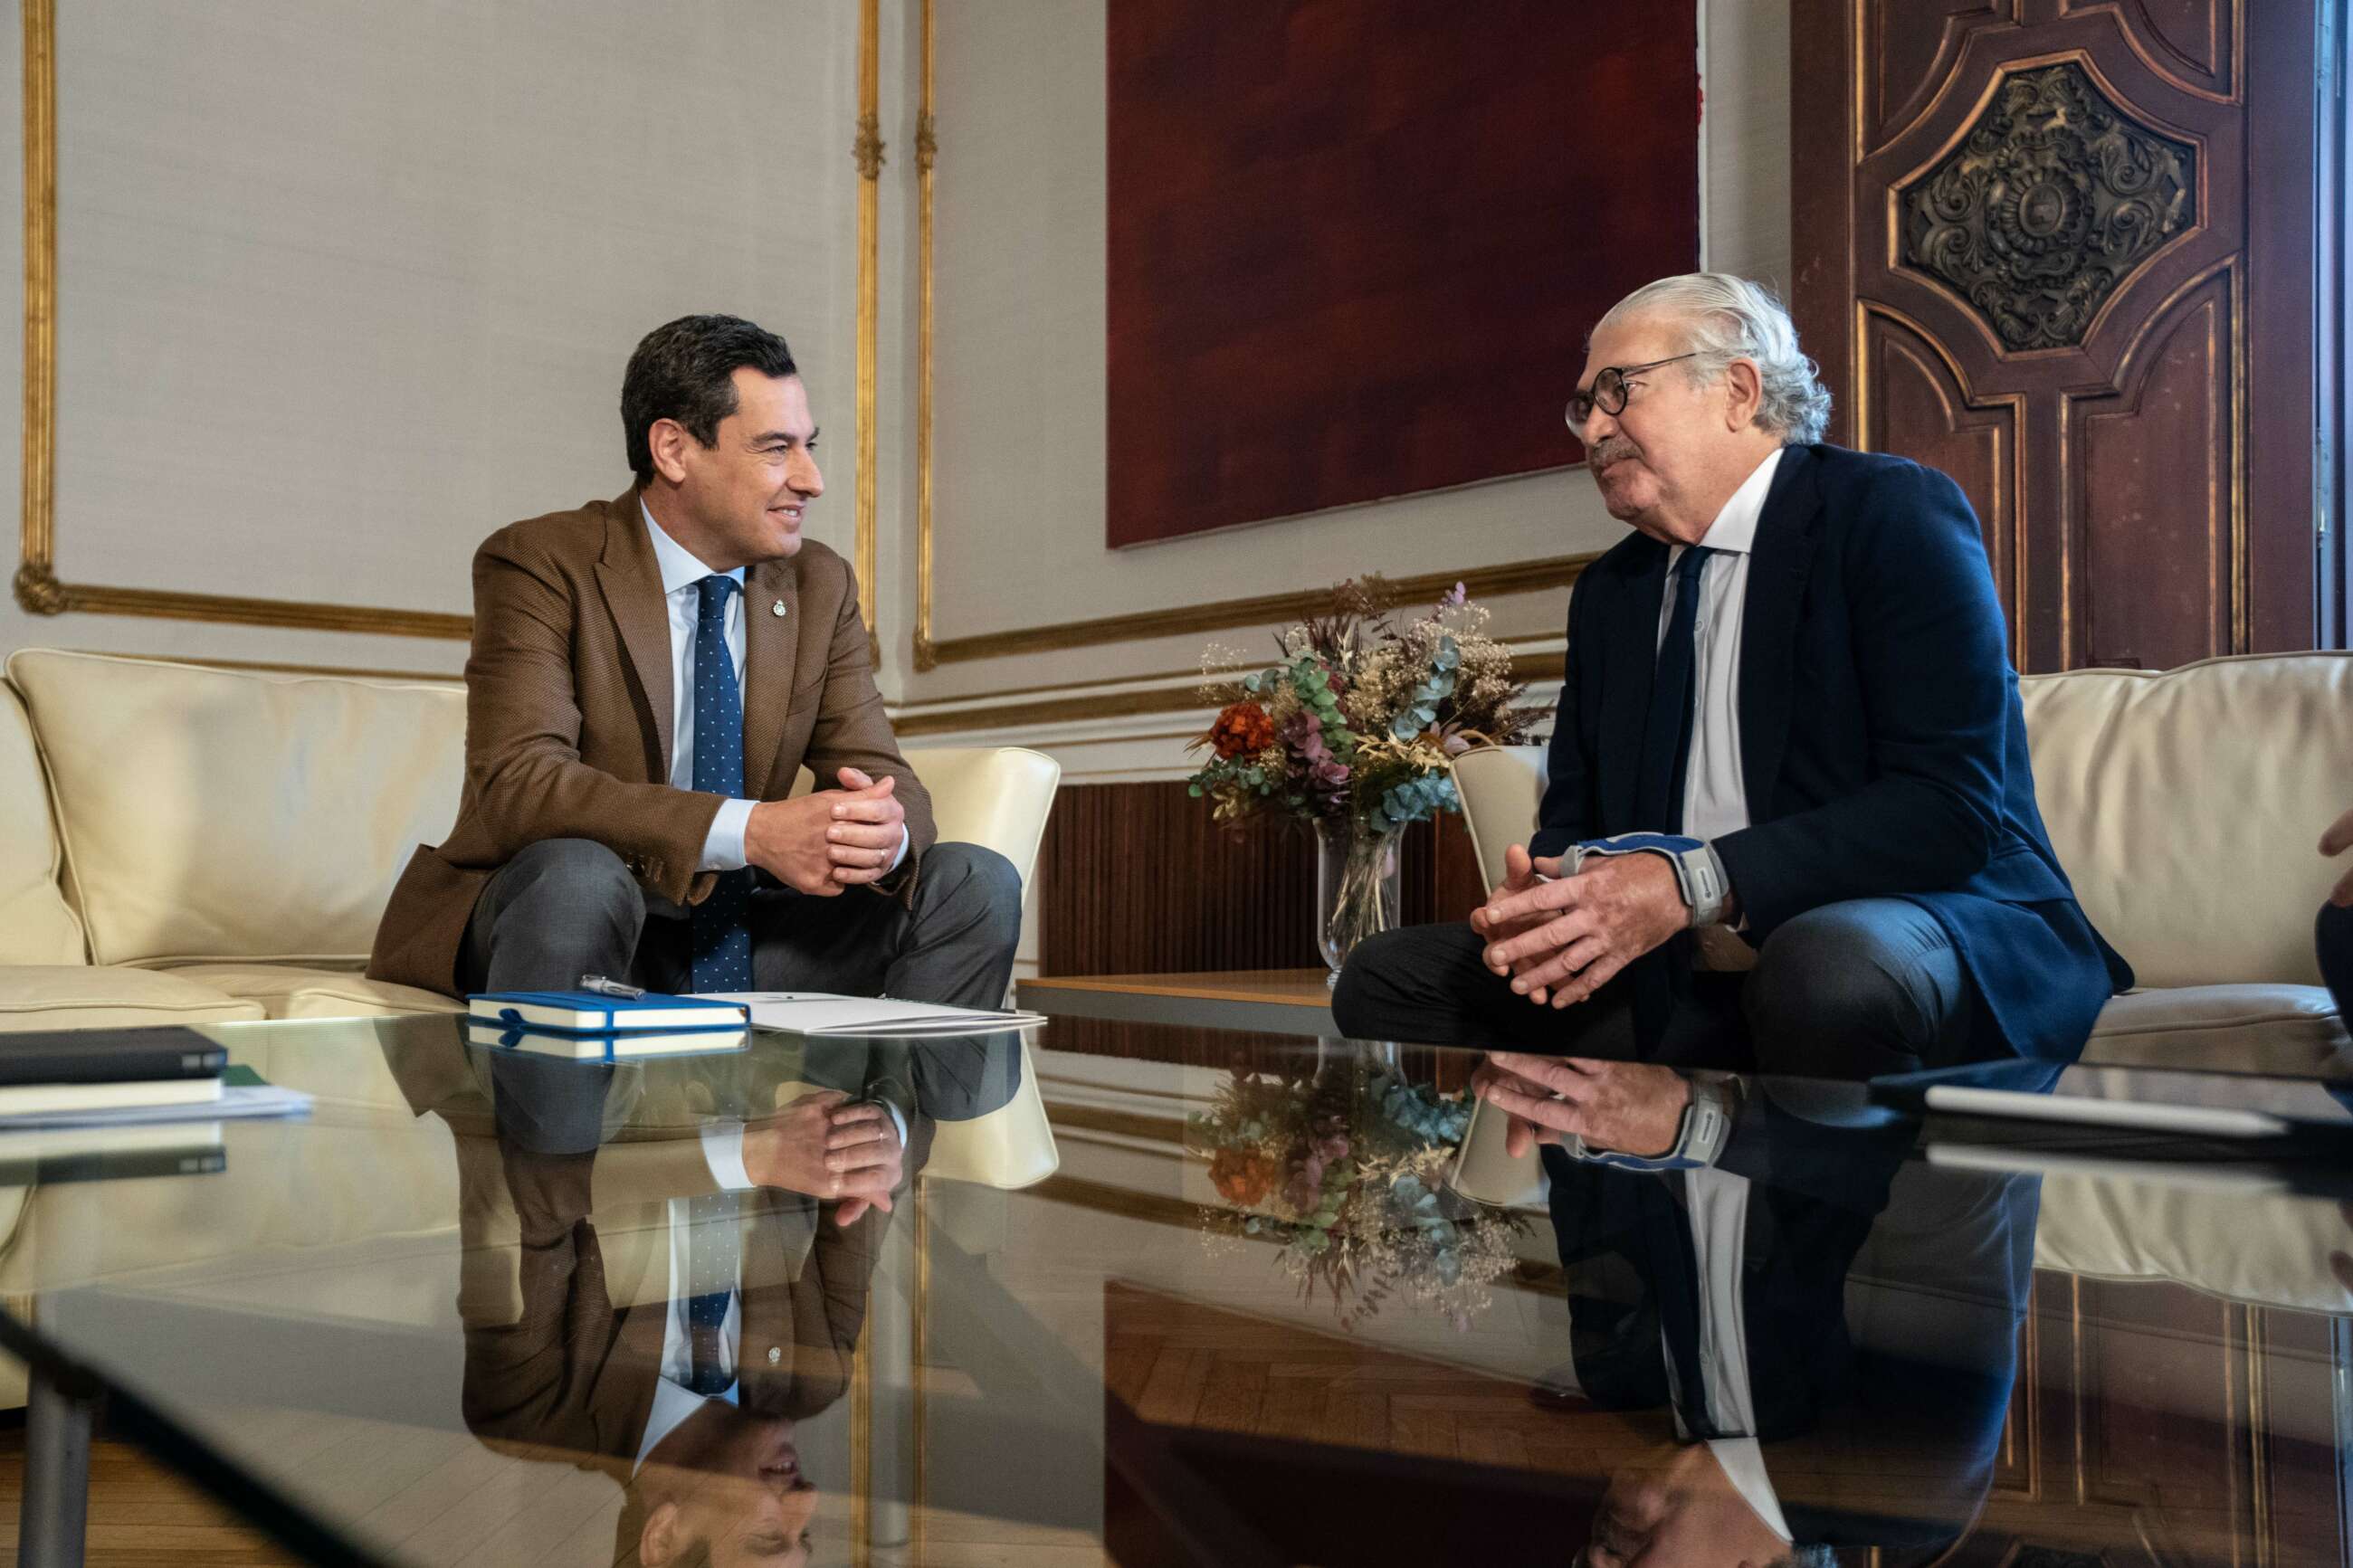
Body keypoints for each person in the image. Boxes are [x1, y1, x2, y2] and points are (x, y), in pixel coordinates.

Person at [1334, 272, 2131, 1158]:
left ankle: (1780, 1214)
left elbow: (1947, 811)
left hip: (1924, 913)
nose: (1593, 428)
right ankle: (1647, 1224)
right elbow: (1576, 813)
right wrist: (1554, 897)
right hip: (1687, 959)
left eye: (1617, 392)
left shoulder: (1887, 514)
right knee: (1389, 976)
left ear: (1737, 390)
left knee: (1822, 967)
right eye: (1580, 407)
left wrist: (1689, 883)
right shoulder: (1610, 593)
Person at [367, 313, 1021, 1010]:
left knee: (974, 882)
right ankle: (544, 1115)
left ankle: (886, 1116)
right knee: (579, 879)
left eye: (809, 446)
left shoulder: (819, 584)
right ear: (674, 450)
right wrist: (753, 830)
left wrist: (878, 837)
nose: (812, 479)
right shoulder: (542, 561)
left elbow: (883, 774)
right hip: (572, 921)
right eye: (777, 449)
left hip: (737, 932)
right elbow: (520, 785)